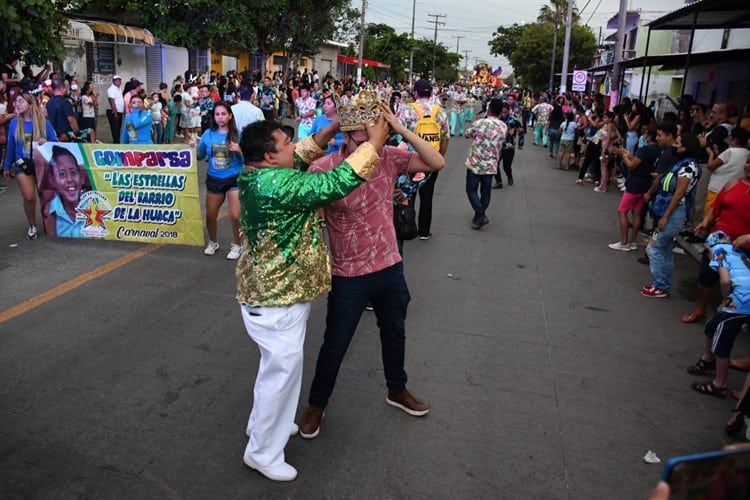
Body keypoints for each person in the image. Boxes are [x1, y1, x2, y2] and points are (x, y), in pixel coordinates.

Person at [237, 117, 387, 482]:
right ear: (270, 157)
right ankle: (262, 453)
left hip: (273, 296)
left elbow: (301, 156)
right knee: (281, 376)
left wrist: (332, 128)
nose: (295, 146)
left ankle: (263, 426)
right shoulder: (278, 184)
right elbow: (335, 182)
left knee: (276, 371)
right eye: (286, 143)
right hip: (277, 301)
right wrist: (375, 144)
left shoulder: (261, 174)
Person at [298, 96, 445, 441]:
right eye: (359, 140)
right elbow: (298, 168)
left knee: (394, 332)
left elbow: (436, 162)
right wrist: (335, 123)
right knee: (335, 343)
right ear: (344, 138)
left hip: (390, 265)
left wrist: (398, 128)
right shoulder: (326, 169)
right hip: (349, 274)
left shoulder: (388, 158)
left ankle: (397, 389)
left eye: (372, 139)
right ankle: (317, 405)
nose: (369, 147)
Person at [681, 155, 750, 323]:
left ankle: (733, 317)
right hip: (720, 241)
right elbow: (715, 207)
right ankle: (701, 310)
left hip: (745, 248)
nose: (749, 166)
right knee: (706, 276)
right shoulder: (733, 184)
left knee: (738, 285)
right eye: (748, 162)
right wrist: (705, 222)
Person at [686, 234, 750, 399]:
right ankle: (708, 359)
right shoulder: (740, 253)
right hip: (743, 296)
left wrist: (724, 300)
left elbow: (724, 281)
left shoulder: (717, 252)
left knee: (722, 339)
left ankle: (719, 384)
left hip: (740, 300)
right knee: (712, 325)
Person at [641, 132, 702, 298]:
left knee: (654, 248)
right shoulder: (683, 164)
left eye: (678, 142)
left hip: (674, 212)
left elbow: (679, 194)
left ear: (685, 147)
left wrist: (666, 216)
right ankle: (662, 285)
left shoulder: (688, 167)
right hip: (671, 211)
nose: (674, 145)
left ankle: (660, 285)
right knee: (665, 249)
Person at [397, 78, 449, 240]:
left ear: (415, 93)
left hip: (410, 160)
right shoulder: (439, 111)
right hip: (431, 160)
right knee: (427, 195)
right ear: (431, 93)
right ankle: (424, 231)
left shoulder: (407, 110)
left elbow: (398, 133)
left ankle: (407, 226)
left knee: (407, 193)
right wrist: (439, 156)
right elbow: (445, 137)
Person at [190, 102, 244, 259]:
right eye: (217, 114)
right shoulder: (208, 134)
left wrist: (240, 150)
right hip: (214, 179)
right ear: (214, 117)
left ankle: (237, 244)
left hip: (234, 178)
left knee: (235, 215)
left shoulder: (237, 134)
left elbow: (251, 158)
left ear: (230, 116)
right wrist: (193, 148)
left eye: (223, 114)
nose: (220, 117)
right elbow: (200, 156)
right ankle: (213, 242)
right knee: (211, 215)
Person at [2, 93, 57, 239]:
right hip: (22, 165)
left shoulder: (44, 123)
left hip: (41, 165)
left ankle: (50, 222)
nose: (17, 104)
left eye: (21, 101)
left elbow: (55, 141)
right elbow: (11, 146)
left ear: (31, 104)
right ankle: (32, 225)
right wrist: (7, 166)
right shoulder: (14, 123)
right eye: (16, 102)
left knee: (45, 195)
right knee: (29, 197)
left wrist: (46, 141)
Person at [465, 98, 507, 229]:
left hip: (476, 162)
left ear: (489, 109)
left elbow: (467, 134)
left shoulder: (480, 123)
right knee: (486, 191)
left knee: (471, 190)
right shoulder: (503, 126)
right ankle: (479, 217)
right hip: (491, 163)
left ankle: (480, 214)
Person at [46, 145, 86, 237]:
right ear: (53, 180)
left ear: (82, 177)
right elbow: (50, 242)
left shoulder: (94, 205)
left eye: (73, 173)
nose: (69, 179)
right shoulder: (50, 211)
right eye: (62, 174)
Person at [493, 102, 521, 188]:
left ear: (509, 111)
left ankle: (509, 176)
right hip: (498, 146)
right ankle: (498, 181)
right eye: (502, 112)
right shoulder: (496, 120)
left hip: (509, 147)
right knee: (494, 163)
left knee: (506, 166)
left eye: (505, 112)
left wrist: (520, 143)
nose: (503, 114)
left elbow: (521, 131)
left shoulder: (514, 120)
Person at [107, 75, 124, 143]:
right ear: (113, 81)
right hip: (114, 111)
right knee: (115, 129)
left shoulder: (119, 88)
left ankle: (117, 142)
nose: (118, 82)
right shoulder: (111, 89)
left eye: (119, 80)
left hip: (119, 111)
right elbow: (112, 100)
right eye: (117, 80)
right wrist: (115, 112)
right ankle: (116, 142)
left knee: (118, 128)